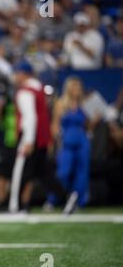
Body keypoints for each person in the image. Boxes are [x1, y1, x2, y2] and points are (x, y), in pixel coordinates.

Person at [8, 60, 51, 213]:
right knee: (42, 172)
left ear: (23, 74)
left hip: (29, 137)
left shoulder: (26, 91)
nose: (15, 76)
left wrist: (28, 140)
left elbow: (30, 117)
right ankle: (66, 197)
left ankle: (15, 206)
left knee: (20, 173)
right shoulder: (39, 88)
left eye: (17, 73)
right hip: (42, 137)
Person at [47, 77, 90, 214]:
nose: (78, 90)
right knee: (63, 172)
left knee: (81, 173)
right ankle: (53, 200)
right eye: (75, 87)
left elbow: (87, 125)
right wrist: (55, 142)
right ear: (69, 89)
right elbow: (54, 125)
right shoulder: (61, 104)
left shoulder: (83, 104)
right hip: (66, 142)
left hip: (82, 141)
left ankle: (78, 202)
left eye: (79, 87)